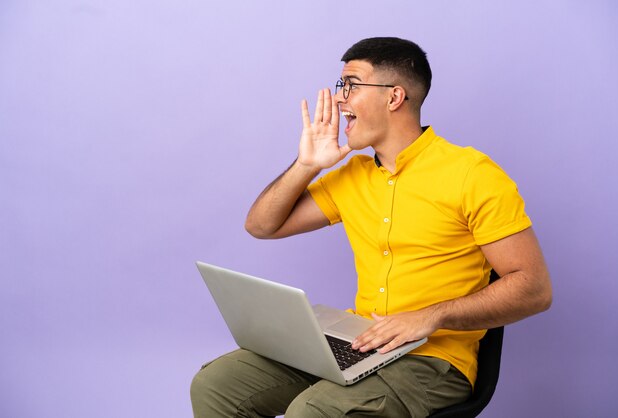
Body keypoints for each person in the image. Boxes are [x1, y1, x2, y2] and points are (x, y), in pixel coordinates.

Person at [190, 37, 552, 418]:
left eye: (351, 84)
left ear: (394, 97)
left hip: (431, 359)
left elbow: (534, 289)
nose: (339, 99)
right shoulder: (353, 175)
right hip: (359, 341)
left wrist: (431, 316)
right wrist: (307, 164)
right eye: (340, 85)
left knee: (313, 412)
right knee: (217, 385)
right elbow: (261, 226)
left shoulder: (472, 175)